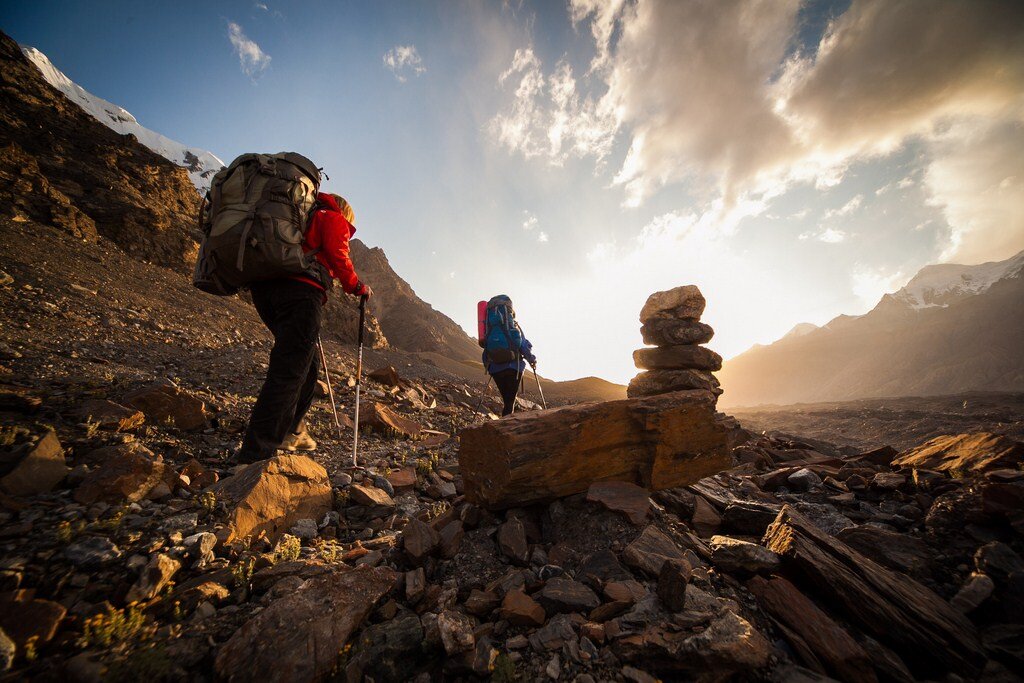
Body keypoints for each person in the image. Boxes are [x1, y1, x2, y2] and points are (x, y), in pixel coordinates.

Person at [235, 193, 371, 463]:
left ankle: (293, 429)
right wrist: (357, 286)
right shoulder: (331, 217)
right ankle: (255, 454)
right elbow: (338, 254)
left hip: (266, 291)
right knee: (288, 372)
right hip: (301, 292)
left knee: (306, 368)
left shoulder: (299, 218)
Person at [482, 297, 537, 417]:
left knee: (507, 400)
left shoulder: (489, 329)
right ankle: (506, 428)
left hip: (495, 369)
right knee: (509, 403)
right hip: (513, 368)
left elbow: (485, 348)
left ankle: (505, 424)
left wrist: (488, 365)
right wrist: (532, 359)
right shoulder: (513, 326)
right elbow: (523, 345)